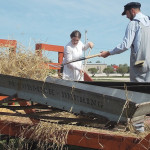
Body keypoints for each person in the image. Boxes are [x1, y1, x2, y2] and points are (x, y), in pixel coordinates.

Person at [100, 2, 150, 82]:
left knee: (137, 90)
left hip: (140, 62)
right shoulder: (148, 20)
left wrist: (108, 53)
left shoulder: (133, 23)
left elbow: (125, 45)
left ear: (132, 11)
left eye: (127, 13)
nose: (127, 16)